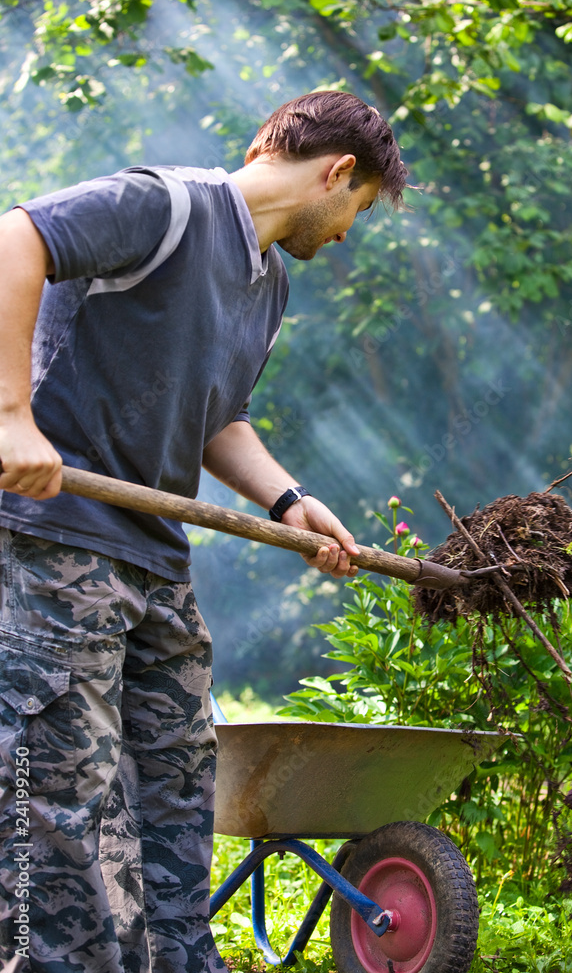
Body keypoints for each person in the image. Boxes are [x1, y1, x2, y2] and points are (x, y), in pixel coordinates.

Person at [0, 91, 407, 973]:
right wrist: (10, 416)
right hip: (56, 535)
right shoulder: (166, 206)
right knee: (58, 797)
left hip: (154, 556)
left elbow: (222, 419)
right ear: (336, 173)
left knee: (176, 786)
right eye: (357, 210)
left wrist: (289, 500)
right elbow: (16, 237)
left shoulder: (271, 282)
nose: (345, 234)